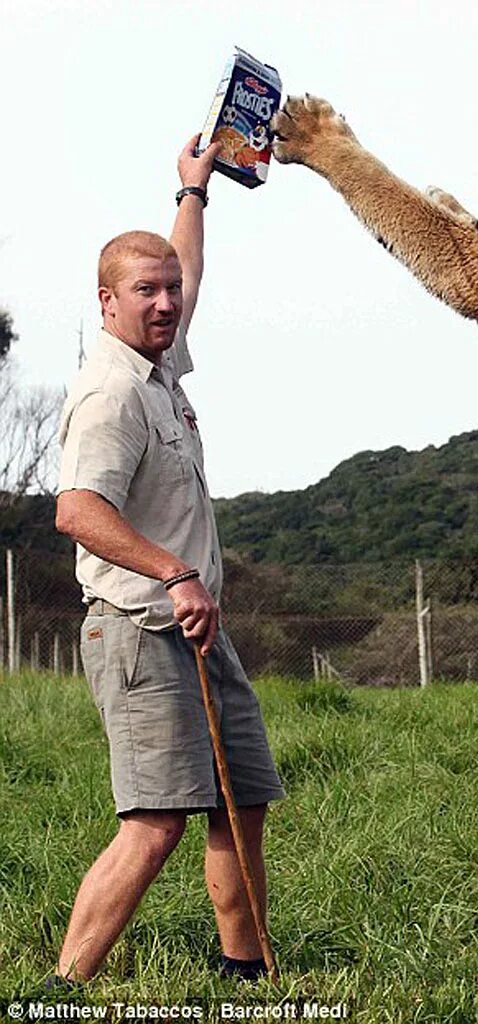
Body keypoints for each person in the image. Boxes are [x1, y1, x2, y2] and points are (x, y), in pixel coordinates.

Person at [52, 136, 285, 984]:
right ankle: (59, 989)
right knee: (156, 821)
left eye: (170, 292)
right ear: (106, 303)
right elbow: (76, 511)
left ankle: (247, 976)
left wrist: (196, 191)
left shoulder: (159, 367)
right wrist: (174, 571)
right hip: (140, 628)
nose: (165, 303)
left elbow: (184, 264)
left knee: (239, 800)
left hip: (198, 631)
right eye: (144, 292)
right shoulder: (111, 392)